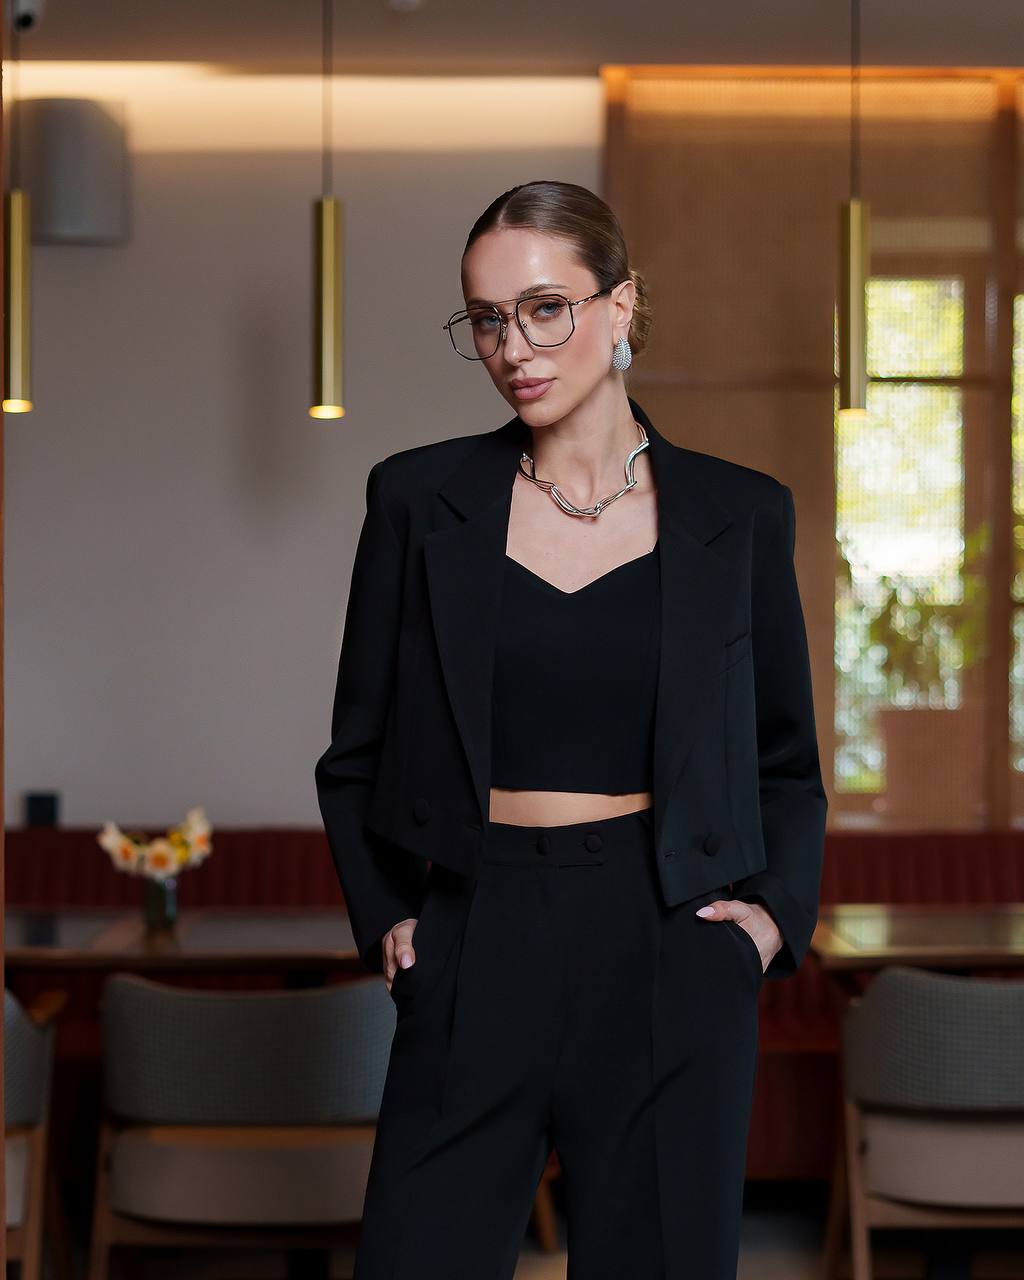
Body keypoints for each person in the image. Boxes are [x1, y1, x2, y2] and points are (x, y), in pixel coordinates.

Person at [314, 179, 828, 1280]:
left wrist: (766, 925)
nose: (514, 345)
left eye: (546, 307)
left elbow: (784, 760)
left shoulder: (738, 515)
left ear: (622, 304)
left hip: (666, 938)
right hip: (473, 927)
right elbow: (353, 750)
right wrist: (393, 923)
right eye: (487, 318)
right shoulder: (418, 499)